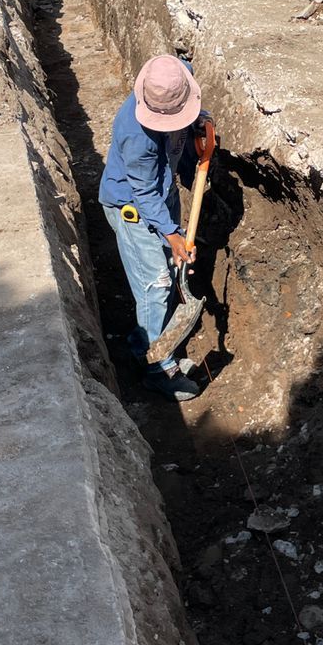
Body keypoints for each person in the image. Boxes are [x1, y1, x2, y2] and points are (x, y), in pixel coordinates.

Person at [99, 54, 215, 402]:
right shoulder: (138, 139)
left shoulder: (173, 77)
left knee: (163, 274)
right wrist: (173, 233)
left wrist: (197, 125)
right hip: (133, 208)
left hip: (162, 194)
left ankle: (149, 338)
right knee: (156, 285)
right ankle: (155, 366)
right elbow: (144, 193)